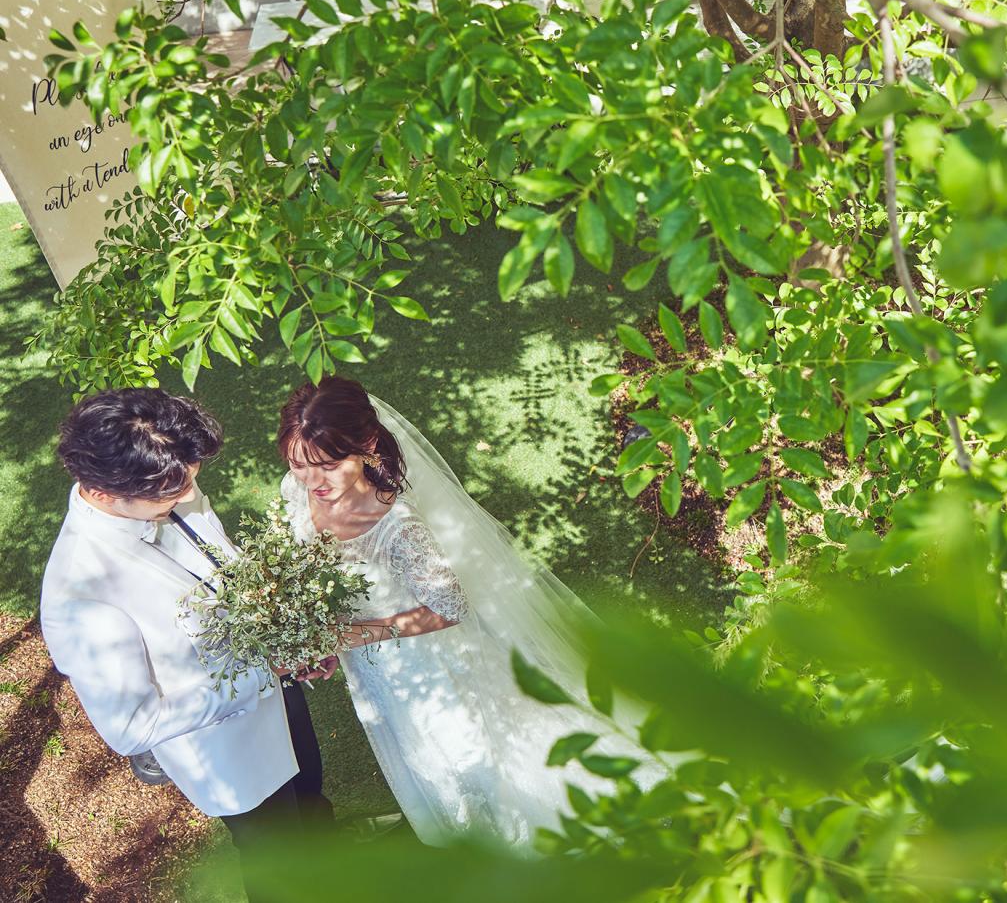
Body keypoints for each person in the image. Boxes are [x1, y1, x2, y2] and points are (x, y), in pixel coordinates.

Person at [276, 376, 656, 846]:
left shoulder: (395, 525)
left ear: (368, 445)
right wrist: (322, 635)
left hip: (425, 664)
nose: (313, 481)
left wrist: (352, 634)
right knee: (414, 748)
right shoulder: (299, 491)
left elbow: (450, 608)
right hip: (371, 661)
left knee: (459, 755)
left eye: (329, 465)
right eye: (298, 464)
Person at [39, 388, 333, 900]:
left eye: (190, 481)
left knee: (312, 800)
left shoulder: (168, 479)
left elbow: (219, 559)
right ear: (105, 492)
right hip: (232, 751)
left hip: (280, 694)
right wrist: (265, 673)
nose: (187, 495)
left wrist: (290, 632)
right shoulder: (81, 597)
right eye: (172, 493)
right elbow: (132, 728)